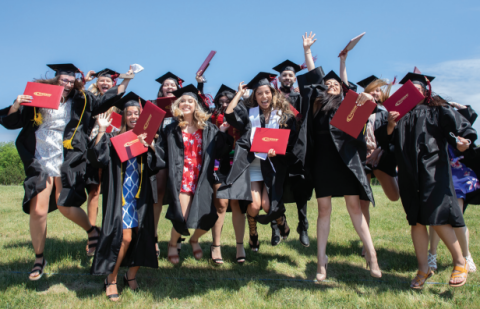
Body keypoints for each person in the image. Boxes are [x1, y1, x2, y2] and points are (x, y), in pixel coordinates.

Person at [0, 63, 125, 280]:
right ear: (55, 81)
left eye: (69, 81)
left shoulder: (80, 99)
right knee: (38, 210)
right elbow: (13, 122)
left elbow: (105, 99)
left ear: (74, 83)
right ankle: (39, 258)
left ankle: (91, 230)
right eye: (62, 81)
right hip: (40, 156)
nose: (66, 84)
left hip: (66, 155)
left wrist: (126, 82)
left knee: (65, 205)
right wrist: (16, 104)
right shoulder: (39, 97)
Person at [377, 71, 476, 288]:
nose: (416, 92)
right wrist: (391, 125)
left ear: (427, 92)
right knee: (416, 220)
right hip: (408, 173)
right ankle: (423, 269)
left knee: (436, 216)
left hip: (433, 170)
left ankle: (459, 262)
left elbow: (460, 128)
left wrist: (464, 142)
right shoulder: (398, 115)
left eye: (420, 89)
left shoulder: (437, 110)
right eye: (411, 90)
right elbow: (385, 141)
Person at [304, 68, 381, 282]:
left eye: (336, 84)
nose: (332, 85)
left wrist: (365, 97)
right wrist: (308, 51)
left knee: (354, 208)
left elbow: (367, 103)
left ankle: (372, 256)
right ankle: (321, 261)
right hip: (323, 162)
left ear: (342, 89)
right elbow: (314, 77)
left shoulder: (348, 105)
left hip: (346, 162)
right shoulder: (317, 105)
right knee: (323, 211)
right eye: (328, 84)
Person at [89, 93, 161, 301]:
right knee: (125, 238)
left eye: (137, 113)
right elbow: (98, 158)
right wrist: (102, 130)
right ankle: (111, 280)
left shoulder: (146, 139)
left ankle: (130, 275)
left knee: (143, 236)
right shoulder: (114, 139)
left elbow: (157, 165)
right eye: (129, 113)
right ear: (124, 117)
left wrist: (150, 146)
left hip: (140, 197)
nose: (133, 117)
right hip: (120, 198)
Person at [217, 72, 297, 254]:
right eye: (259, 93)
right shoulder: (249, 114)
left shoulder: (284, 115)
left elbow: (291, 140)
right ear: (255, 96)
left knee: (268, 205)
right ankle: (253, 232)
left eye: (266, 92)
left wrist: (278, 150)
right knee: (254, 206)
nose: (264, 96)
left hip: (272, 163)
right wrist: (238, 93)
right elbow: (229, 113)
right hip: (253, 164)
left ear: (273, 94)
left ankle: (281, 220)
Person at [159, 84, 231, 265]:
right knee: (181, 216)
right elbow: (162, 152)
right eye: (182, 101)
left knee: (209, 217)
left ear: (196, 105)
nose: (186, 104)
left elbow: (221, 150)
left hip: (201, 178)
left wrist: (221, 133)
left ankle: (194, 239)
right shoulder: (171, 129)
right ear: (177, 105)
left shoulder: (207, 128)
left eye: (190, 101)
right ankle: (173, 243)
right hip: (181, 177)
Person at [83, 67, 133, 253]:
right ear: (97, 83)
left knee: (113, 192)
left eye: (108, 81)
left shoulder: (118, 104)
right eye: (102, 80)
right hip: (94, 147)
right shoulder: (90, 99)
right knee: (94, 191)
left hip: (113, 148)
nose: (105, 83)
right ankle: (92, 235)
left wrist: (127, 78)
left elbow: (123, 92)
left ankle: (110, 231)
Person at [428, 101, 478, 273]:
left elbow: (467, 120)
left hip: (457, 176)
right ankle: (431, 255)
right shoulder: (432, 122)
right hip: (437, 172)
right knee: (436, 217)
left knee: (457, 217)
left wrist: (454, 104)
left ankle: (466, 256)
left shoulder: (456, 123)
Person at [355, 74, 399, 257]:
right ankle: (367, 245)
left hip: (381, 158)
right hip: (362, 160)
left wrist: (380, 151)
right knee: (363, 202)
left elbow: (392, 138)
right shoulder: (357, 112)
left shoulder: (386, 113)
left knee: (394, 196)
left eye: (378, 89)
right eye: (371, 89)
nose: (375, 92)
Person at [271, 58, 312, 247]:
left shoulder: (300, 96)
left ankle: (303, 226)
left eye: (291, 75)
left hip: (297, 148)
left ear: (295, 78)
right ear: (279, 78)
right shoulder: (272, 97)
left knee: (300, 189)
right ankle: (276, 227)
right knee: (274, 188)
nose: (287, 78)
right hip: (276, 148)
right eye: (284, 75)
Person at [150, 72, 184, 257]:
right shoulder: (155, 106)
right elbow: (147, 130)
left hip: (179, 153)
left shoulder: (185, 105)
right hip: (161, 153)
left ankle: (176, 236)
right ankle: (153, 237)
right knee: (158, 193)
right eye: (166, 85)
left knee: (179, 195)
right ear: (161, 89)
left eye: (172, 85)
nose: (169, 87)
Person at [210, 84, 245, 264]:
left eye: (228, 101)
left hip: (237, 162)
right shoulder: (213, 118)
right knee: (221, 203)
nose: (224, 104)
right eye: (220, 101)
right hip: (220, 163)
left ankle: (240, 246)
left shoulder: (240, 116)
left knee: (237, 203)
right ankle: (216, 246)